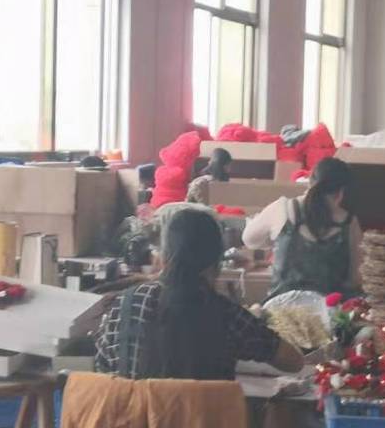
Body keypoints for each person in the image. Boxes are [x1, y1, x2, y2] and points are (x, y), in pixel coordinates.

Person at [95, 208, 304, 381]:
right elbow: (294, 362)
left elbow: (102, 373)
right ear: (216, 265)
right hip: (204, 420)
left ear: (162, 258)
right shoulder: (226, 315)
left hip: (135, 420)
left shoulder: (123, 307)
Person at [243, 158, 363, 300]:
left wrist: (274, 239)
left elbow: (249, 240)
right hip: (330, 310)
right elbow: (355, 279)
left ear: (309, 181)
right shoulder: (349, 223)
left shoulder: (282, 208)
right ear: (341, 192)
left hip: (280, 309)